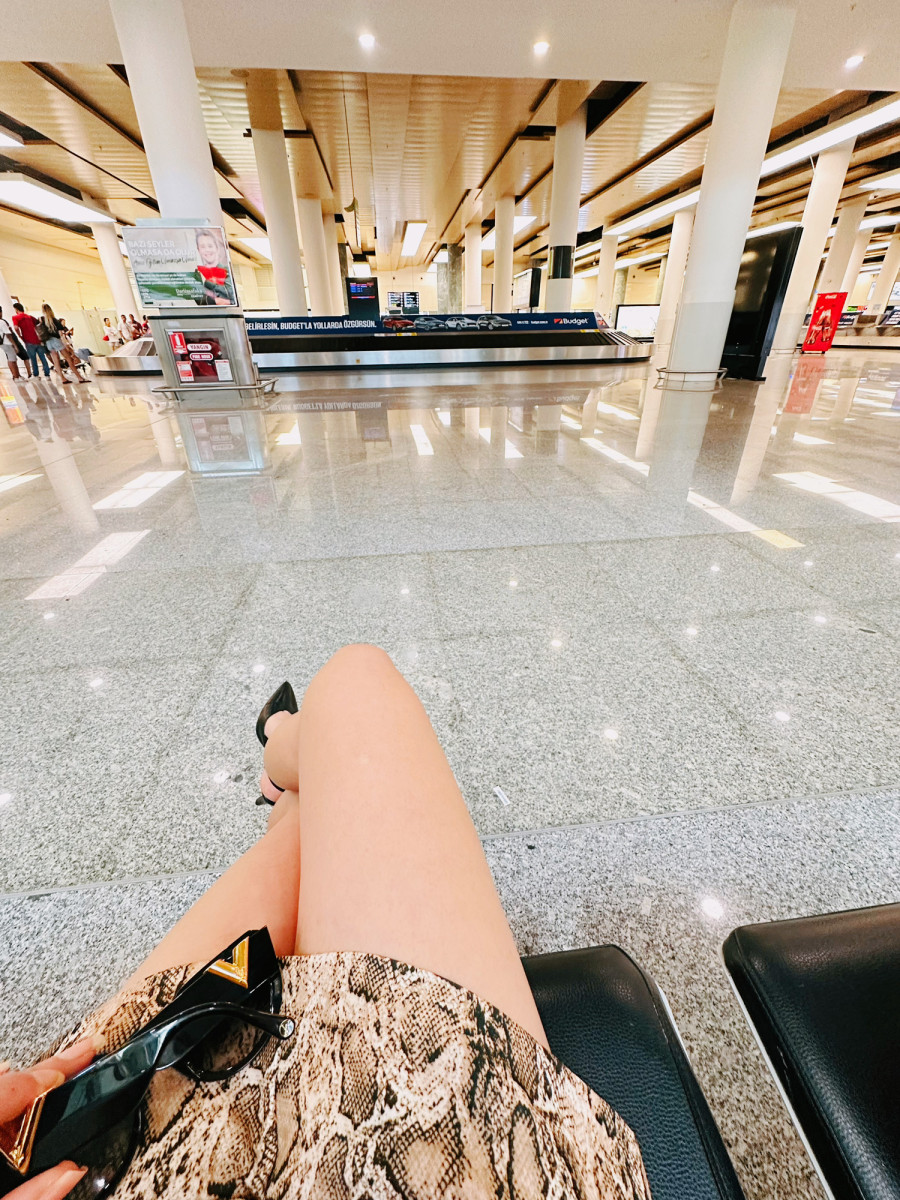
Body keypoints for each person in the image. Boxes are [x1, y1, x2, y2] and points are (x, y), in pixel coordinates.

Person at [0, 647, 649, 1200]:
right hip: (416, 1136)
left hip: (102, 1131)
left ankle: (289, 778)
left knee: (311, 828)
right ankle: (285, 744)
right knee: (355, 684)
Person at [40, 305, 84, 381]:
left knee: (56, 361)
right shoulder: (55, 320)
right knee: (68, 358)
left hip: (48, 342)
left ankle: (63, 379)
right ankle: (79, 377)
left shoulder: (43, 322)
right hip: (56, 341)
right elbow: (61, 334)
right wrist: (66, 345)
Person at [195, 227, 237, 306]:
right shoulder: (197, 275)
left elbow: (231, 300)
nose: (207, 250)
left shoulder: (227, 271)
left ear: (217, 248)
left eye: (210, 246)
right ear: (199, 250)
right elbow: (201, 301)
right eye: (203, 247)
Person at [12, 303, 52, 378]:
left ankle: (36, 373)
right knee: (42, 357)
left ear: (16, 309)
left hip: (28, 340)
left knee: (33, 359)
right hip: (37, 339)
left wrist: (20, 336)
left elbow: (16, 328)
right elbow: (38, 323)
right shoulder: (30, 317)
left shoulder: (15, 317)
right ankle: (47, 372)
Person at [0, 306, 22, 379]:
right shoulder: (2, 322)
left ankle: (15, 376)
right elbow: (8, 334)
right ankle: (16, 377)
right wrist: (14, 345)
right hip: (7, 342)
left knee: (10, 359)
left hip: (2, 343)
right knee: (13, 360)